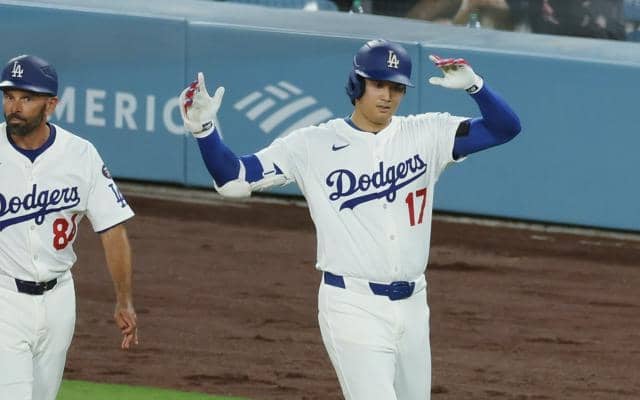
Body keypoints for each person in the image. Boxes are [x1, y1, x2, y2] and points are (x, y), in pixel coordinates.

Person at [180, 39, 521, 400]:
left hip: (413, 306)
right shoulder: (312, 144)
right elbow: (233, 180)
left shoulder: (427, 133)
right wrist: (204, 130)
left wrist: (476, 86)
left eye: (397, 88)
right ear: (357, 84)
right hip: (352, 306)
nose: (388, 96)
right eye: (378, 84)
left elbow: (504, 128)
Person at [0, 54, 138, 400]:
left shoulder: (80, 155)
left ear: (51, 105)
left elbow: (113, 230)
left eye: (26, 98)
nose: (14, 107)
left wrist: (124, 300)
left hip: (59, 300)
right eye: (9, 96)